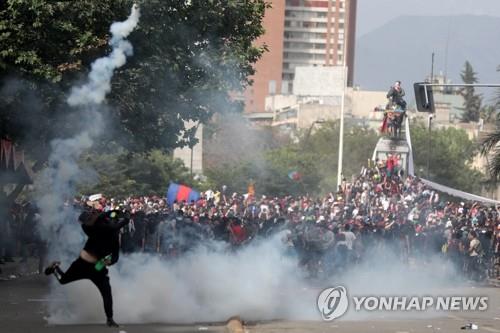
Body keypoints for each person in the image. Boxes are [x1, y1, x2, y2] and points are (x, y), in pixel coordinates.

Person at [44, 209, 130, 327]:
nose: (109, 222)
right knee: (63, 280)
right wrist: (123, 218)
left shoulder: (107, 232)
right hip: (82, 264)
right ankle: (55, 268)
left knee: (107, 293)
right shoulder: (93, 228)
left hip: (97, 268)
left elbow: (114, 257)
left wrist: (101, 264)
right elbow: (108, 223)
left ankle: (109, 319)